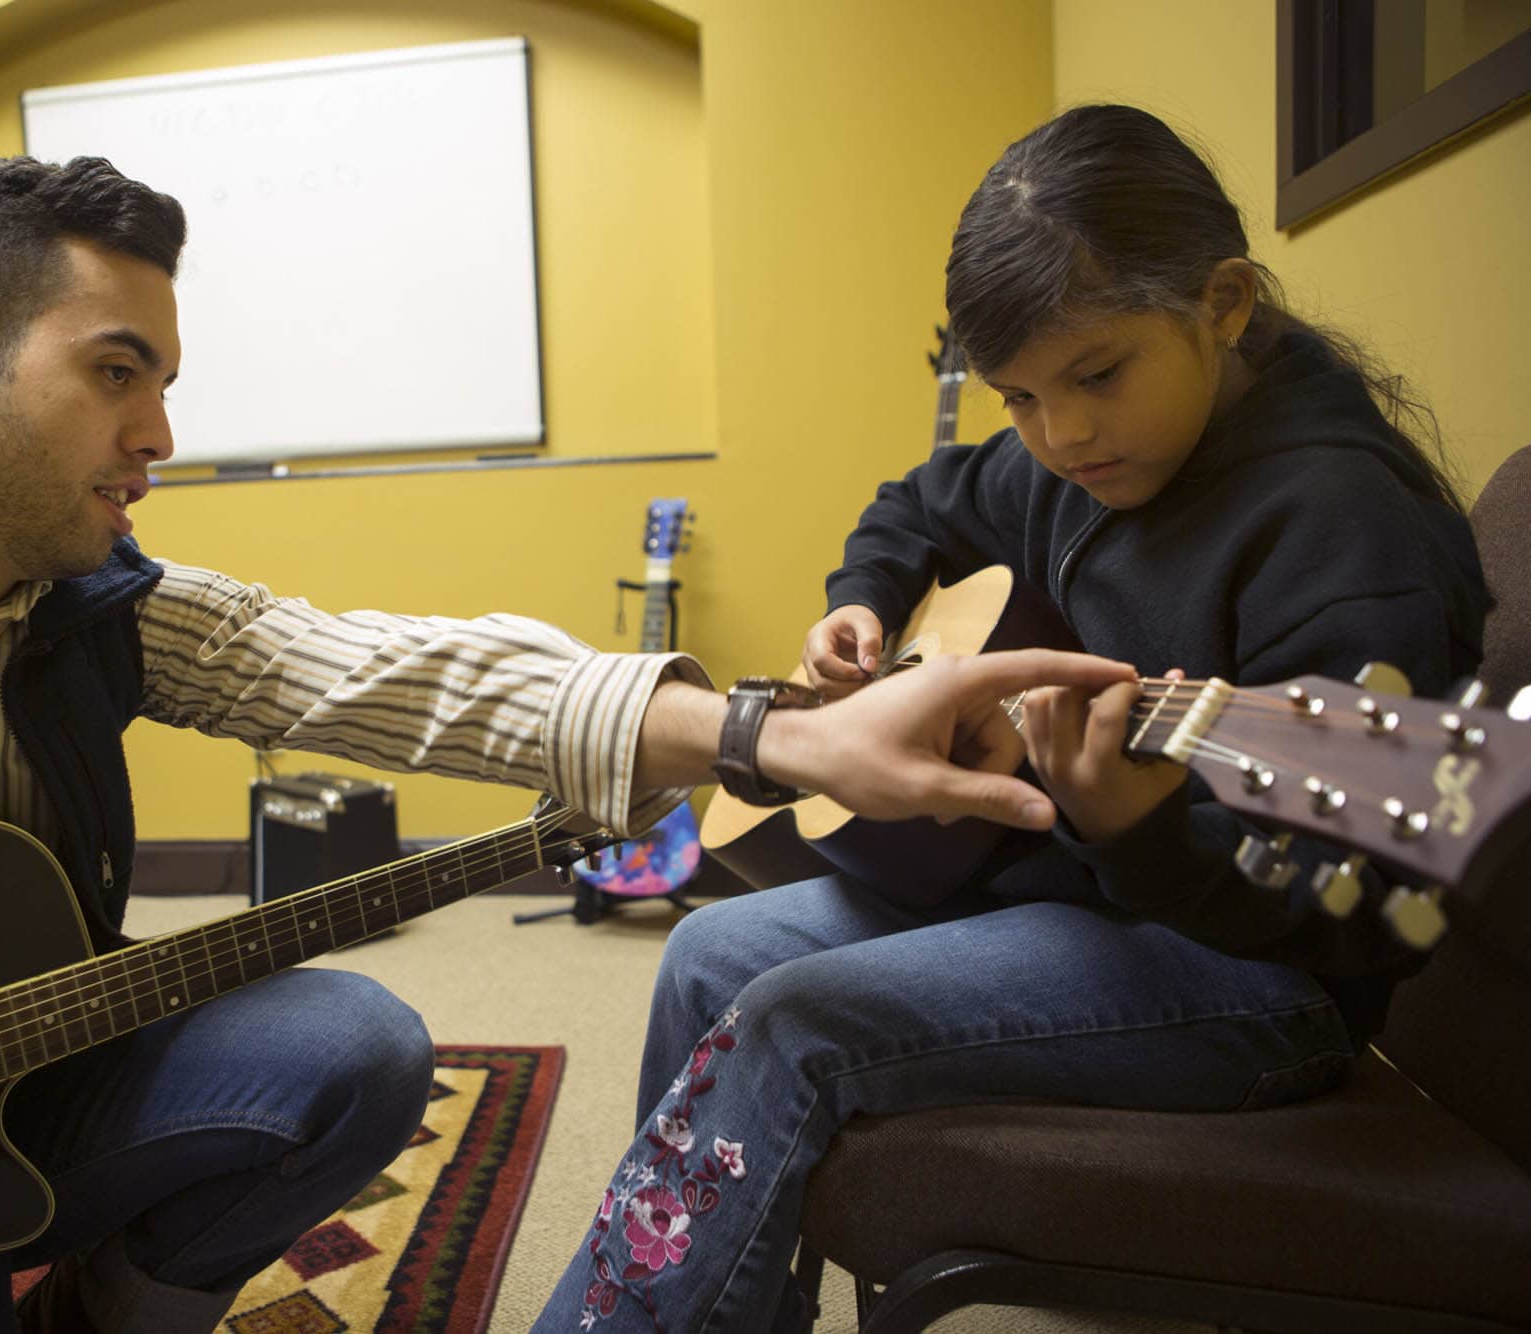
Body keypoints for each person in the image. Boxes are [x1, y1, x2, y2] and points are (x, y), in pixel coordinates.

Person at [0, 154, 1132, 1332]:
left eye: (163, 379)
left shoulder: (95, 604)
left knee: (350, 1046)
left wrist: (776, 739)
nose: (160, 435)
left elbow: (381, 671)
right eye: (117, 374)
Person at [533, 103, 1488, 1333]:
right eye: (1018, 396)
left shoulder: (1347, 534)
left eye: (1094, 376)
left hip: (1258, 979)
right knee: (703, 954)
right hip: (1072, 890)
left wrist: (1137, 831)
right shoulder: (1083, 453)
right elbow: (916, 500)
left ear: (1228, 302)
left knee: (791, 1020)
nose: (1058, 434)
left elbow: (1365, 906)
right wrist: (860, 608)